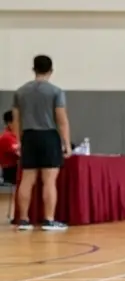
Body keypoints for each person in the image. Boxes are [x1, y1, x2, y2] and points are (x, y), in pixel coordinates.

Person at [11, 55, 71, 231]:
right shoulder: (55, 92)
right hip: (48, 137)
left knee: (27, 179)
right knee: (49, 181)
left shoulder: (20, 92)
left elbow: (16, 119)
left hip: (29, 136)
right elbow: (61, 120)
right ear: (51, 71)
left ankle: (23, 220)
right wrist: (66, 143)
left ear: (33, 69)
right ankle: (49, 219)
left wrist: (18, 141)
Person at [1, 110, 20, 189]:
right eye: (18, 121)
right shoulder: (7, 137)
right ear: (10, 123)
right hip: (11, 174)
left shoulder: (15, 136)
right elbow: (20, 153)